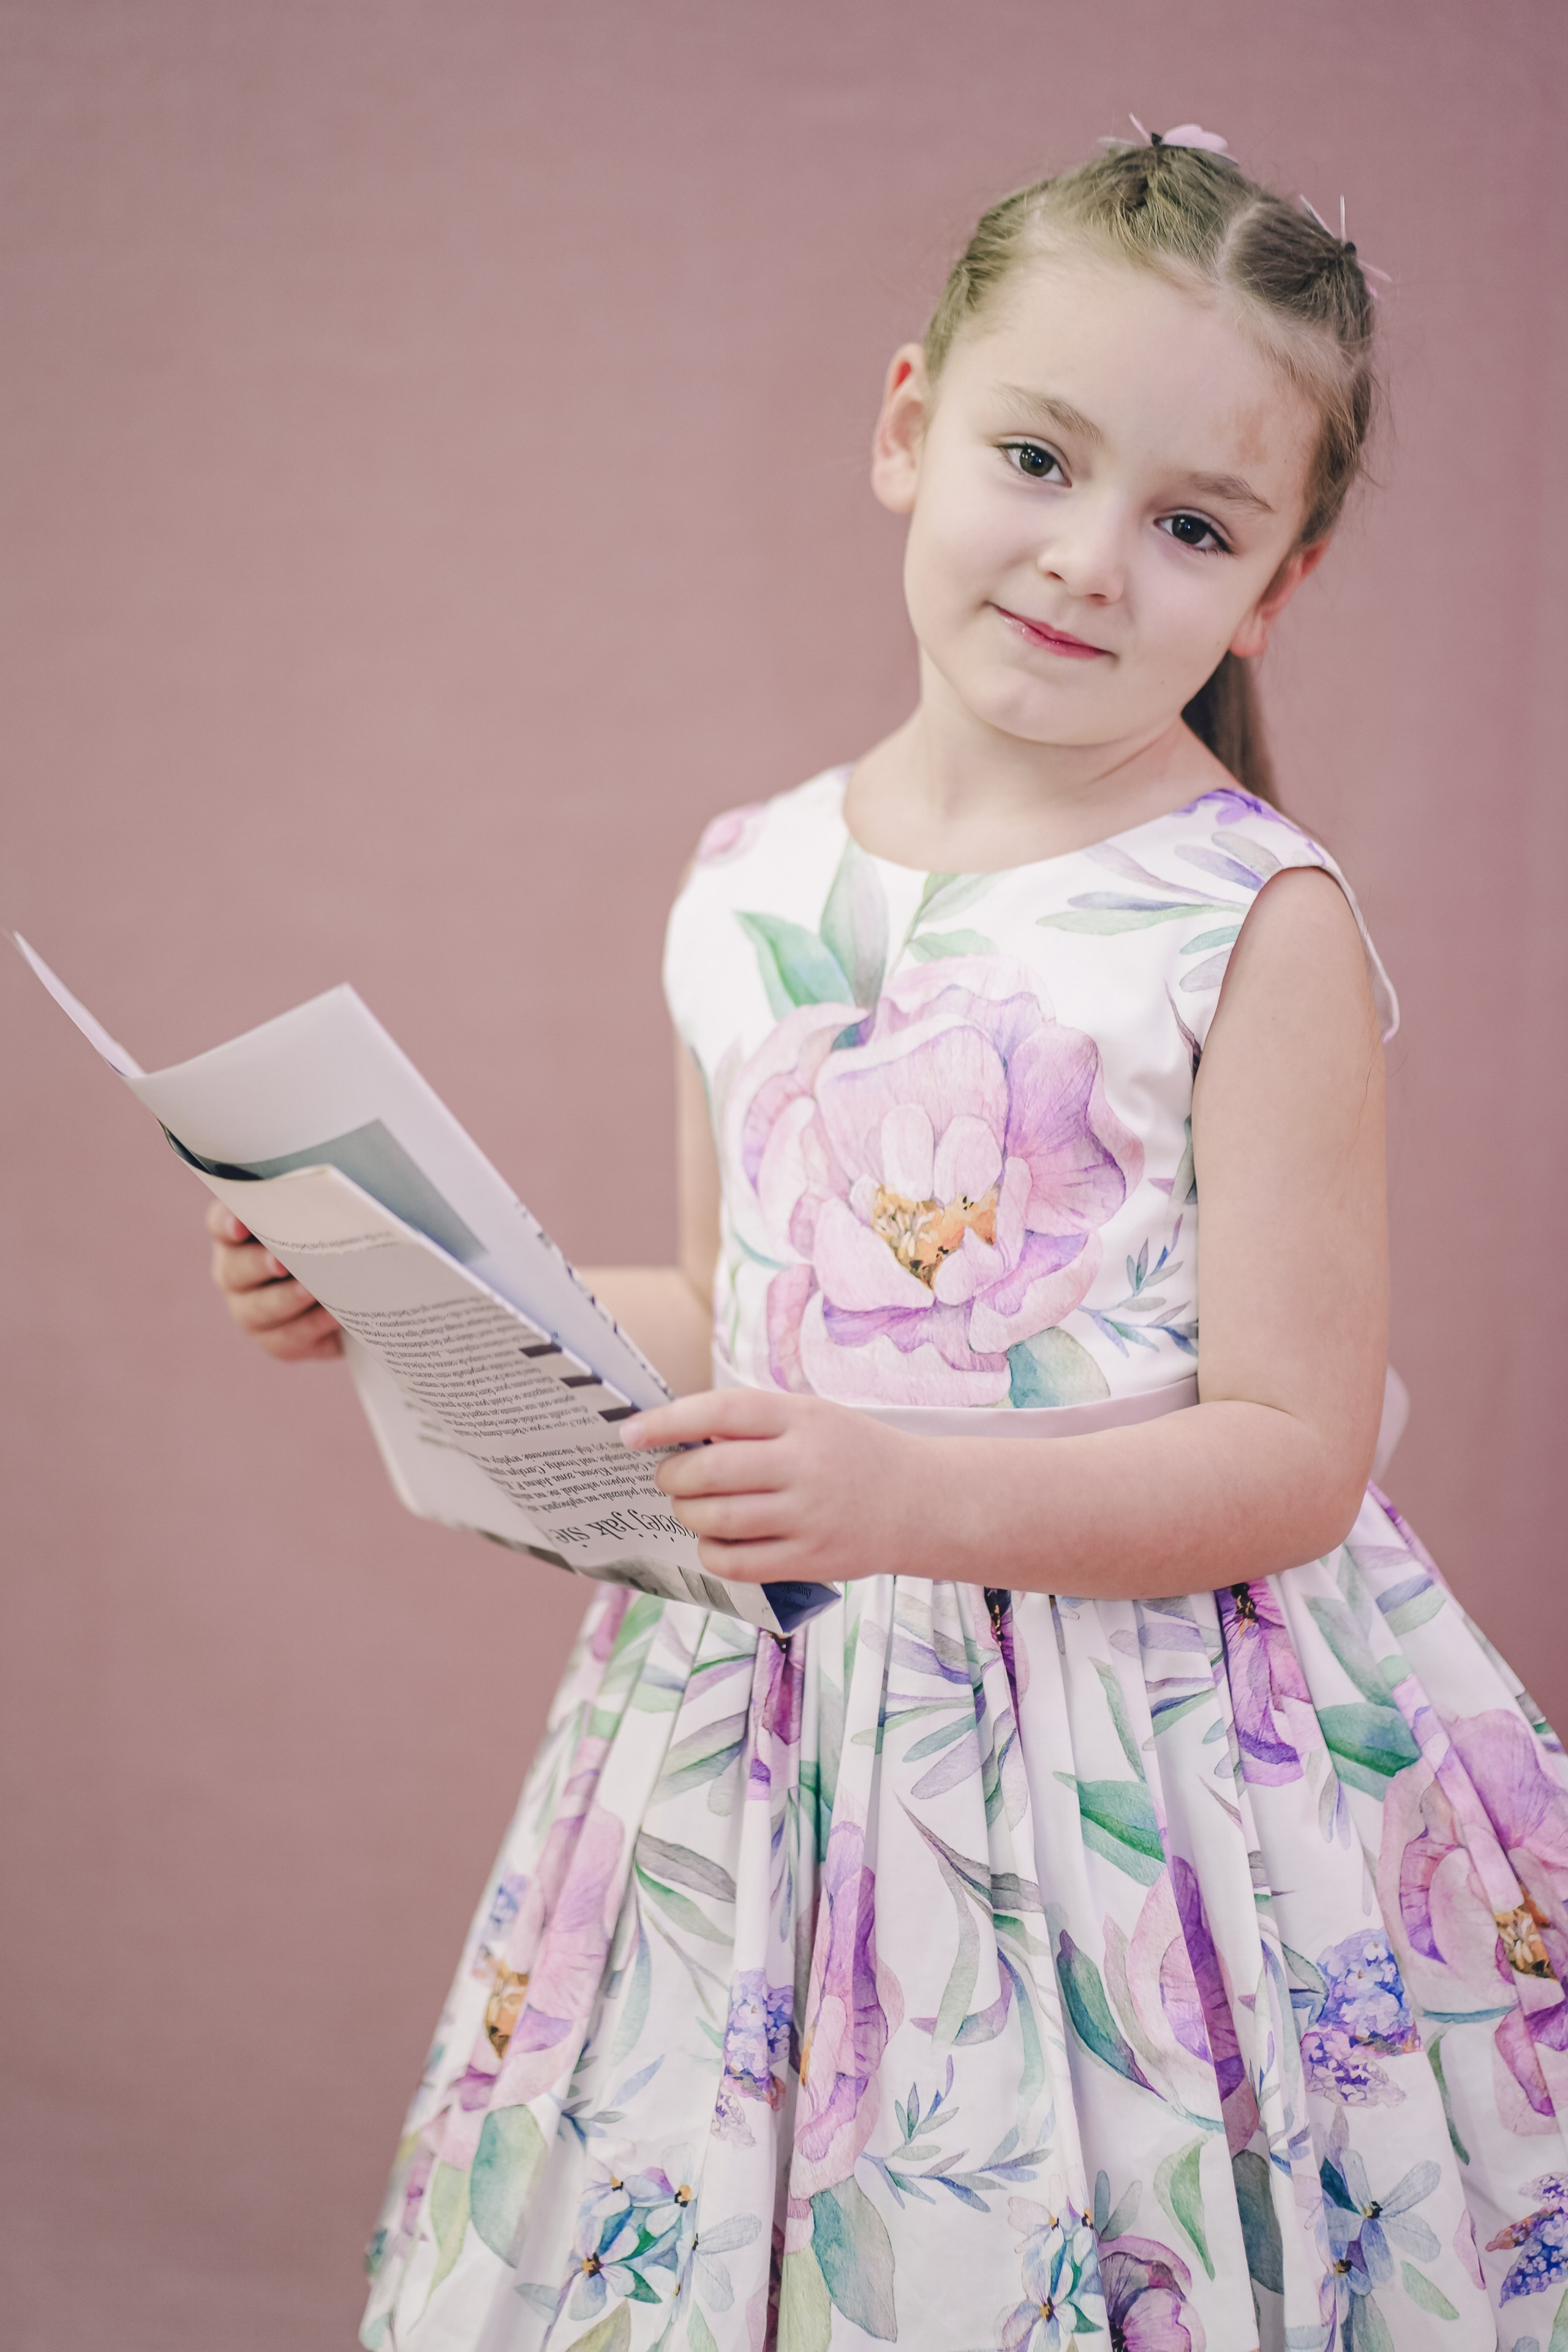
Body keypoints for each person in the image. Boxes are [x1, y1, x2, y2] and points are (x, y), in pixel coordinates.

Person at [208, 130, 1568, 2352]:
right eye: (1038, 457)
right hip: (776, 1736)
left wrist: (902, 1498)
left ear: (1277, 584)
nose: (1090, 559)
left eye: (1194, 524)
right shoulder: (746, 877)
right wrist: (387, 1290)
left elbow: (1295, 1447)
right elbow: (727, 1309)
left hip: (1142, 1758)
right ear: (908, 425)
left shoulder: (1255, 918)